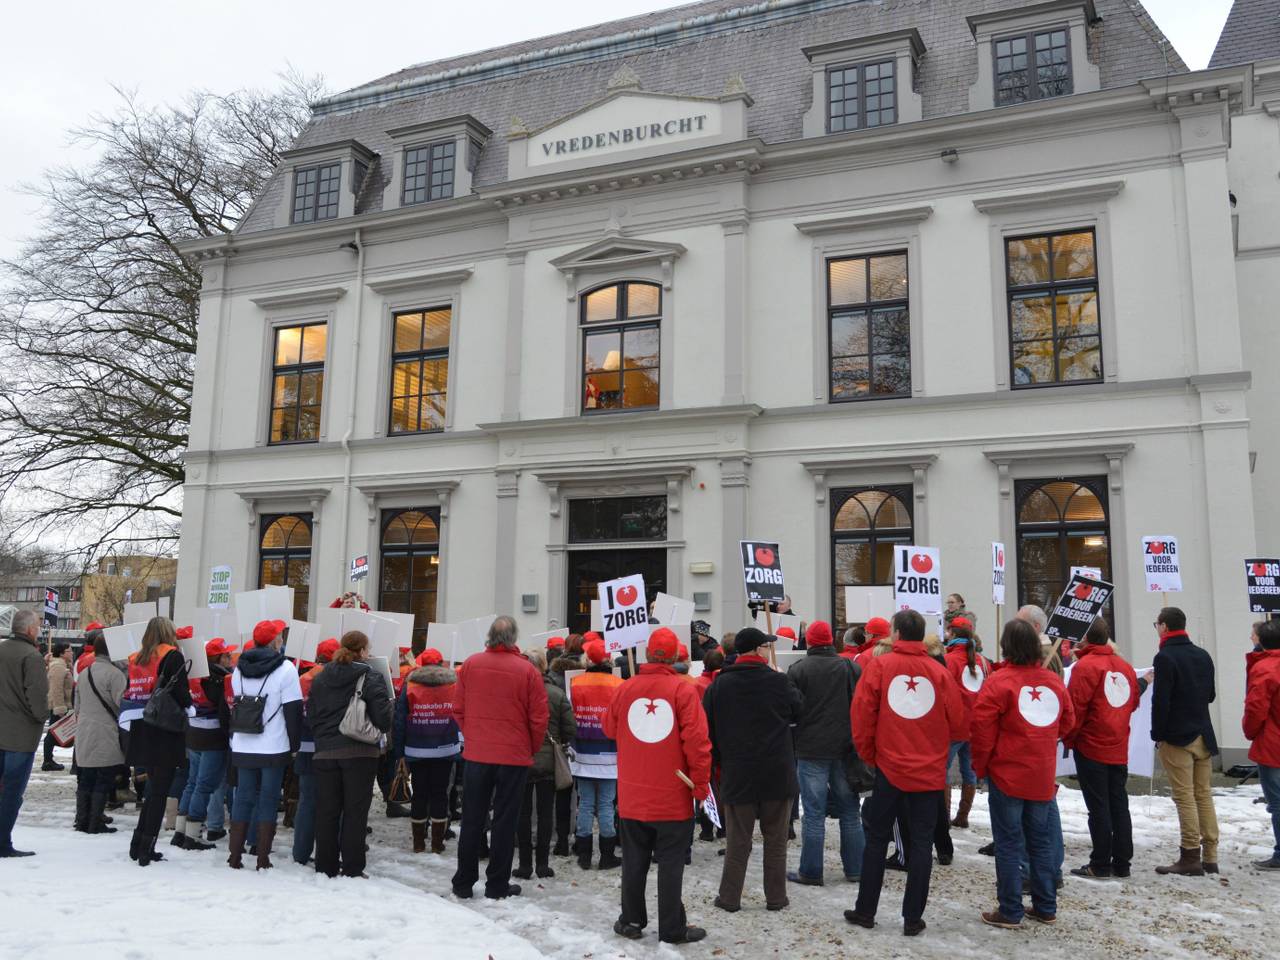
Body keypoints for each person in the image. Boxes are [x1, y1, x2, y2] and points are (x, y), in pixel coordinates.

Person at [845, 610, 965, 938]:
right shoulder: (939, 671)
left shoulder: (880, 666)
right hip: (927, 771)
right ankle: (913, 918)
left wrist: (870, 755)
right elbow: (958, 722)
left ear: (896, 633)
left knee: (876, 839)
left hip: (889, 768)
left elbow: (861, 714)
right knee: (922, 844)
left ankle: (865, 910)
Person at [605, 627, 711, 944]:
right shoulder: (683, 691)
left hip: (633, 793)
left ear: (648, 654)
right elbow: (698, 743)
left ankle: (631, 919)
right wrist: (701, 784)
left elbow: (609, 728)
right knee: (671, 864)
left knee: (634, 862)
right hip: (672, 795)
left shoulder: (625, 688)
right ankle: (672, 927)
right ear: (676, 656)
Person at [972, 619, 1076, 929]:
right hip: (1040, 773)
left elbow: (982, 731)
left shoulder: (999, 682)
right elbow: (1068, 722)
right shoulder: (1053, 681)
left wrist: (981, 767)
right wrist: (1043, 740)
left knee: (1008, 843)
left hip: (1007, 773)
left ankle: (1010, 909)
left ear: (1006, 646)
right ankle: (1045, 906)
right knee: (1040, 842)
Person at [451, 616, 549, 901]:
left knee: (472, 818)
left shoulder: (471, 665)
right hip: (513, 756)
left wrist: (474, 735)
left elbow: (458, 708)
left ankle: (464, 882)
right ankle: (496, 885)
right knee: (505, 822)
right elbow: (539, 718)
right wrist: (529, 747)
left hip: (478, 754)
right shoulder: (527, 671)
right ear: (514, 638)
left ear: (489, 636)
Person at [705, 626, 802, 913]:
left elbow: (708, 728)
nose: (770, 650)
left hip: (738, 772)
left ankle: (729, 897)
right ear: (758, 650)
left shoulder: (720, 685)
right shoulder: (778, 681)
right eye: (767, 646)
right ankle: (776, 897)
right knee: (776, 841)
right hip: (776, 772)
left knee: (737, 841)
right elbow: (799, 710)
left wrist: (720, 760)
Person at [308, 630, 394, 878]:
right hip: (359, 752)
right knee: (355, 812)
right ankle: (353, 867)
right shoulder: (371, 676)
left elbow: (311, 713)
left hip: (325, 751)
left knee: (327, 811)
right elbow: (383, 719)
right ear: (363, 651)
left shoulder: (321, 677)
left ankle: (325, 866)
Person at [786, 619, 863, 886]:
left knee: (814, 813)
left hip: (810, 749)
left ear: (809, 641)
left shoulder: (798, 670)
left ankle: (811, 871)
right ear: (832, 640)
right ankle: (856, 868)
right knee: (850, 812)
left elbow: (791, 710)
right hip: (845, 749)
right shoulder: (850, 668)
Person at [1064, 618, 1143, 879]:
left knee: (1098, 806)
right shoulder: (1124, 666)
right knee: (1119, 803)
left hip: (1091, 745)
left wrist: (1069, 738)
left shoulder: (1085, 666)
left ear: (1085, 639)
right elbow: (1132, 702)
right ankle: (1122, 862)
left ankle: (1100, 862)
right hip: (1117, 744)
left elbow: (1076, 708)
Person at [226, 619, 303, 871]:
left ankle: (234, 856)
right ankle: (262, 858)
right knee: (268, 799)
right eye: (280, 636)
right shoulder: (286, 669)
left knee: (243, 797)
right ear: (274, 641)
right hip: (273, 744)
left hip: (243, 742)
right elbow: (293, 710)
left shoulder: (239, 669)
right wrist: (294, 744)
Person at [1151, 606, 1220, 876]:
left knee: (1184, 796)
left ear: (1165, 627)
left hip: (1177, 735)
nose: (1157, 628)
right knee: (1203, 794)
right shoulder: (1203, 654)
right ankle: (1211, 856)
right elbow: (1210, 695)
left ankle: (1190, 854)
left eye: (1157, 624)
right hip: (1203, 732)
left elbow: (1161, 701)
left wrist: (1157, 734)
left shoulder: (1165, 657)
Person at [121, 617, 191, 866]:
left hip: (141, 725)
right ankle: (146, 849)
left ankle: (137, 843)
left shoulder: (135, 658)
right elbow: (180, 692)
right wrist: (190, 704)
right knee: (160, 791)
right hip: (164, 727)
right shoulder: (172, 656)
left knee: (152, 789)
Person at [514, 647, 576, 880]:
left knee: (522, 813)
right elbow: (570, 728)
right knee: (545, 813)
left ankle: (524, 865)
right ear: (544, 666)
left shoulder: (516, 692)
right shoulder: (556, 694)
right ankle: (542, 864)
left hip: (521, 758)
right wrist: (559, 740)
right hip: (549, 761)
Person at [393, 647, 460, 856]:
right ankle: (437, 844)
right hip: (445, 749)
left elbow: (400, 720)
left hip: (416, 749)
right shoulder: (453, 685)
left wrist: (399, 753)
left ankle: (419, 843)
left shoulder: (410, 685)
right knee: (440, 794)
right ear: (440, 664)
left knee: (419, 794)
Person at [173, 637, 236, 852]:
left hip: (194, 735)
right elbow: (225, 713)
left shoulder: (194, 675)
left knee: (192, 783)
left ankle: (180, 831)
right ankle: (193, 835)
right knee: (204, 786)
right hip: (213, 739)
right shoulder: (219, 680)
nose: (231, 658)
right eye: (227, 655)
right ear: (218, 658)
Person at [570, 637, 624, 869]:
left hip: (582, 753)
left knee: (585, 804)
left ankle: (584, 856)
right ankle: (607, 855)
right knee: (605, 805)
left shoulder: (575, 683)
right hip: (610, 755)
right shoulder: (619, 684)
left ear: (587, 660)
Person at [0, 610, 50, 857]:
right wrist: (43, 716)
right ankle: (2, 843)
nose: (39, 630)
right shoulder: (31, 656)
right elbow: (37, 697)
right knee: (11, 792)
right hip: (20, 735)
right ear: (30, 630)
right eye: (38, 626)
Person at [72, 630, 125, 835]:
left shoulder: (85, 673)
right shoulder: (115, 674)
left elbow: (77, 706)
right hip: (106, 732)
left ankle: (81, 820)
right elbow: (122, 704)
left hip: (84, 731)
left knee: (86, 778)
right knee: (103, 778)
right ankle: (95, 822)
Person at [292, 636, 338, 865]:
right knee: (332, 803)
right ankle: (327, 852)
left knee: (307, 802)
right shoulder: (336, 679)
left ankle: (300, 853)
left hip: (304, 746)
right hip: (329, 747)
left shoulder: (302, 679)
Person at [943, 617, 988, 829]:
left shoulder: (948, 660)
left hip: (953, 726)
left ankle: (944, 817)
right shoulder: (983, 661)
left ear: (952, 634)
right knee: (969, 771)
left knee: (942, 771)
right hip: (976, 725)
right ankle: (963, 816)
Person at [1244, 620, 1280, 869]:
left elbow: (1256, 707)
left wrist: (1250, 731)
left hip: (1272, 742)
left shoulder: (1266, 668)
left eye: (1253, 635)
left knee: (1277, 802)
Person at [42, 643, 73, 771]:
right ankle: (47, 761)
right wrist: (60, 708)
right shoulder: (58, 667)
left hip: (62, 704)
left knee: (53, 733)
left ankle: (48, 760)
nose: (71, 653)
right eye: (69, 651)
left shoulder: (63, 665)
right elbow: (56, 689)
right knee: (52, 734)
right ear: (61, 653)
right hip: (59, 705)